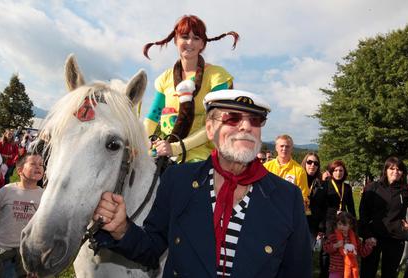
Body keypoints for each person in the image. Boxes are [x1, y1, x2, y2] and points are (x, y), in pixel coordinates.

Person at [92, 89, 312, 277]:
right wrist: (122, 229)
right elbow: (151, 249)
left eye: (255, 120)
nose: (246, 126)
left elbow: (297, 271)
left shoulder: (287, 197)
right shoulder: (178, 180)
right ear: (210, 129)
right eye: (232, 118)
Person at [143, 15, 239, 162]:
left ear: (202, 44)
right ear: (176, 40)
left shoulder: (216, 76)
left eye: (196, 38)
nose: (189, 42)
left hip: (203, 155)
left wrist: (175, 148)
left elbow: (215, 123)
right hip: (164, 151)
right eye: (185, 36)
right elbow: (152, 118)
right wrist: (141, 144)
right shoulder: (165, 78)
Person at [359, 157, 408, 278]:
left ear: (402, 172)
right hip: (373, 237)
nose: (395, 172)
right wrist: (366, 235)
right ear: (385, 170)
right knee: (367, 272)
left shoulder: (406, 190)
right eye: (391, 168)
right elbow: (363, 214)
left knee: (390, 274)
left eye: (399, 169)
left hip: (395, 238)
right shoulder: (373, 187)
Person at [317, 159, 356, 278]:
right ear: (331, 172)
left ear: (344, 172)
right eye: (335, 170)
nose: (338, 173)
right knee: (327, 251)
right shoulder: (325, 185)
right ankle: (324, 274)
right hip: (329, 222)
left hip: (342, 224)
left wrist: (354, 226)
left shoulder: (347, 187)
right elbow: (320, 207)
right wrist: (321, 227)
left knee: (340, 250)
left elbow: (351, 207)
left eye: (341, 170)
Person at [323, 212, 375, 278]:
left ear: (350, 226)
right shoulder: (333, 237)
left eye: (344, 225)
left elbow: (362, 252)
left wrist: (369, 245)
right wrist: (335, 245)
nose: (341, 226)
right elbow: (326, 248)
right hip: (336, 270)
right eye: (339, 224)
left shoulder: (355, 239)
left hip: (351, 270)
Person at [264, 134, 309, 207]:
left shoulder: (299, 171)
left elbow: (303, 196)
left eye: (287, 146)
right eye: (281, 146)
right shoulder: (266, 167)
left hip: (288, 213)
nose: (284, 149)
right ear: (276, 148)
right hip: (268, 210)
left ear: (292, 149)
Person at [301, 153, 324, 242]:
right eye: (309, 162)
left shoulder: (321, 184)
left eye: (316, 163)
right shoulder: (298, 179)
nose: (312, 165)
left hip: (312, 225)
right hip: (297, 222)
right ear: (304, 163)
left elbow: (323, 206)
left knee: (308, 253)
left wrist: (321, 227)